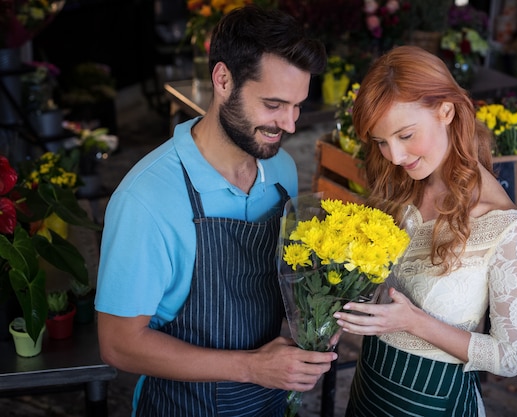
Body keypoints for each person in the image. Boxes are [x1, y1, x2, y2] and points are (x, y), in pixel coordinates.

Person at [95, 5, 337, 416]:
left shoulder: (282, 168)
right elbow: (119, 344)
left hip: (269, 401)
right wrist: (251, 367)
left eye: (297, 106)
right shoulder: (145, 199)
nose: (291, 125)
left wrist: (315, 318)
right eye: (274, 104)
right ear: (222, 79)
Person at [332, 45, 517, 417]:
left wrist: (413, 322)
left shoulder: (505, 228)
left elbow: (509, 358)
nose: (394, 155)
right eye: (381, 141)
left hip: (433, 402)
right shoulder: (402, 186)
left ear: (446, 111)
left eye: (406, 135)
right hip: (369, 388)